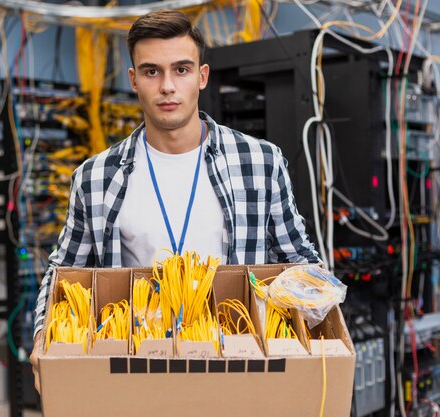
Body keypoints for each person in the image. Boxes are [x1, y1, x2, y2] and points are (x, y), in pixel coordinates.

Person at [29, 9, 321, 392]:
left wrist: (319, 328)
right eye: (152, 72)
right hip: (137, 370)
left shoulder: (260, 162)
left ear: (201, 77)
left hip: (237, 367)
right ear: (134, 81)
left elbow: (299, 259)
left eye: (181, 70)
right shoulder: (96, 177)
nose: (167, 86)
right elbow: (62, 273)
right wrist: (41, 337)